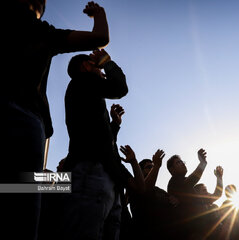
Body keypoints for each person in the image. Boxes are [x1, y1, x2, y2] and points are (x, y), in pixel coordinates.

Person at [1, 1, 111, 239]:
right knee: (25, 200)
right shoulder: (40, 31)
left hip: (52, 152)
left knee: (20, 187)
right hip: (26, 122)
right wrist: (99, 14)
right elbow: (100, 37)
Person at [58, 49, 144, 240]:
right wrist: (107, 61)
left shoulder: (87, 94)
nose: (103, 72)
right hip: (91, 174)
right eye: (98, 67)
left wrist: (114, 124)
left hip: (103, 177)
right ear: (86, 66)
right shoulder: (83, 82)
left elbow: (100, 139)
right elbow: (120, 88)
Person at [166, 148, 208, 239]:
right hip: (192, 233)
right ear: (172, 170)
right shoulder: (174, 182)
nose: (183, 164)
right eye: (178, 162)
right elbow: (190, 181)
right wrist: (202, 163)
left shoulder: (183, 181)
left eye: (182, 161)